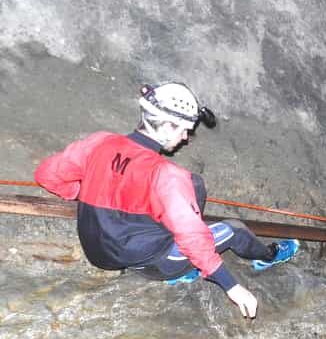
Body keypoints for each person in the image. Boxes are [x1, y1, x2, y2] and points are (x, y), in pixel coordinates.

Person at [34, 82, 300, 319]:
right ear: (167, 125)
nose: (186, 138)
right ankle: (268, 256)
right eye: (184, 130)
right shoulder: (167, 176)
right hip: (147, 263)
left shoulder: (100, 142)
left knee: (193, 184)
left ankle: (177, 260)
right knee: (233, 229)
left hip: (97, 253)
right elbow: (194, 238)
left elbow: (46, 174)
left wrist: (79, 194)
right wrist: (231, 285)